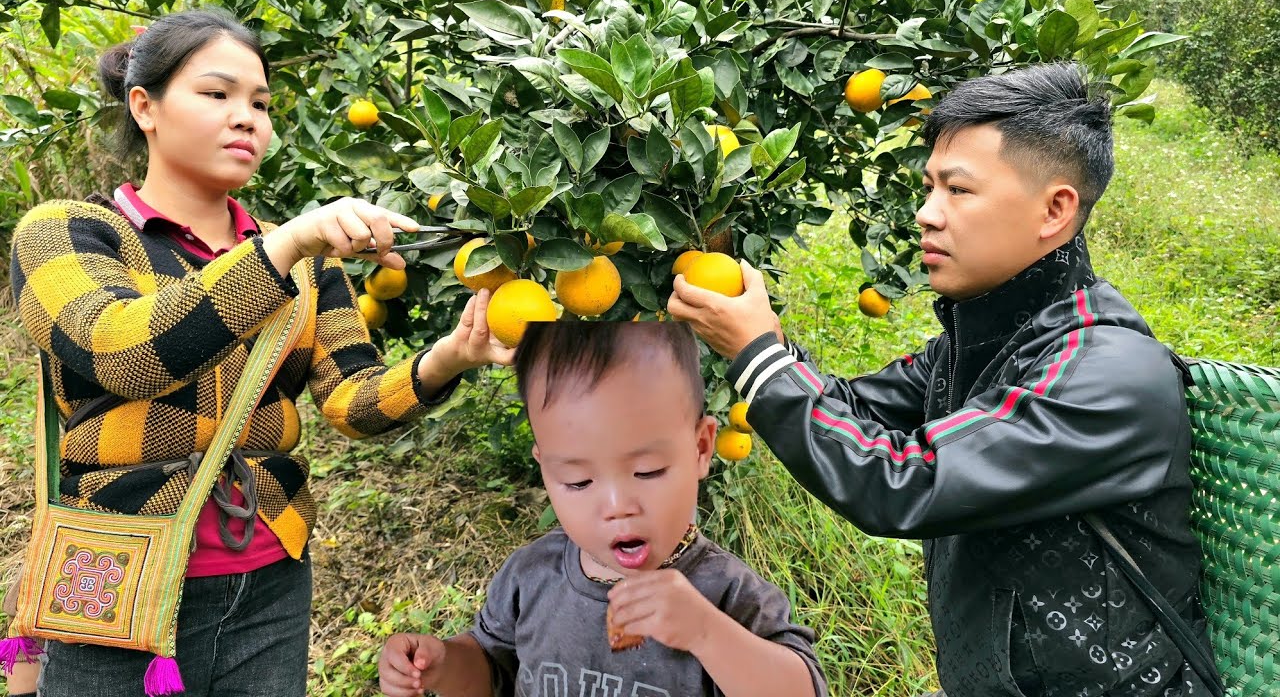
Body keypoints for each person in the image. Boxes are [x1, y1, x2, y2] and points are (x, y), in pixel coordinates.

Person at [6, 9, 512, 696]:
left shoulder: (303, 263)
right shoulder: (67, 232)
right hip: (118, 570)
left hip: (268, 579)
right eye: (218, 95)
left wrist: (449, 358)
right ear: (144, 107)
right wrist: (281, 247)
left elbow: (351, 401)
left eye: (262, 103)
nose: (247, 118)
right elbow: (123, 350)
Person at [667, 62, 1213, 696]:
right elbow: (850, 410)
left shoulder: (1106, 375)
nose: (927, 214)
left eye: (958, 189)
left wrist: (759, 356)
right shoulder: (982, 342)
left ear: (1055, 210)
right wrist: (751, 339)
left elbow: (900, 481)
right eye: (929, 187)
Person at [377, 321, 828, 697]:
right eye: (578, 481)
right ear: (546, 468)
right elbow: (493, 670)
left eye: (648, 471)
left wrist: (707, 633)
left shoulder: (727, 596)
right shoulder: (530, 576)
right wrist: (441, 665)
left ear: (701, 448)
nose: (616, 507)